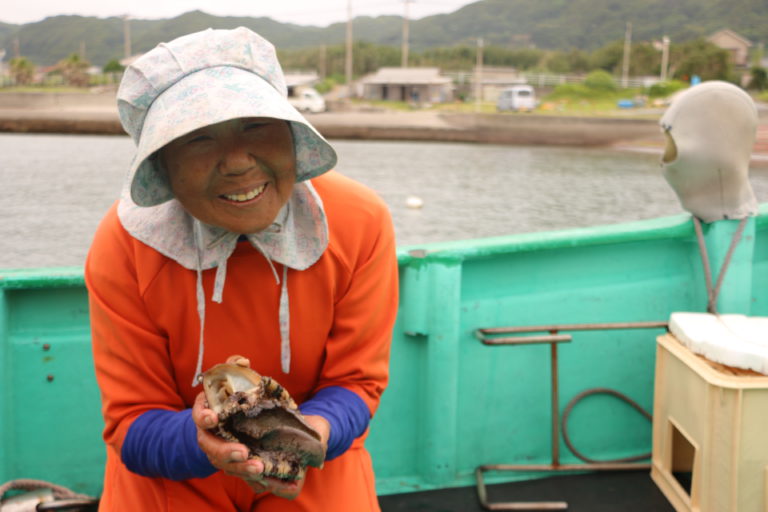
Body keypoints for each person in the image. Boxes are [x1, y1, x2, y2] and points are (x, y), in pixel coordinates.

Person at [85, 27, 399, 511]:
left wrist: (313, 434)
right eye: (197, 138)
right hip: (168, 487)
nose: (236, 162)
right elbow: (131, 423)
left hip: (317, 477)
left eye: (255, 125)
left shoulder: (358, 222)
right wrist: (203, 443)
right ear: (162, 165)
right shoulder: (125, 244)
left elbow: (357, 382)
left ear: (292, 133)